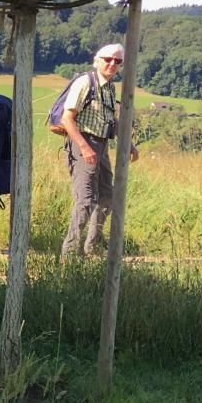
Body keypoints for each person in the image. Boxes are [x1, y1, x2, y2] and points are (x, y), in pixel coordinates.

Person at [59, 43, 139, 259]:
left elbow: (111, 120)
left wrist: (128, 144)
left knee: (106, 196)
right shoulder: (85, 82)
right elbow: (67, 119)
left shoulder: (110, 87)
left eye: (118, 61)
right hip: (83, 143)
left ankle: (91, 248)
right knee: (85, 201)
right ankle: (68, 255)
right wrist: (84, 148)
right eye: (108, 59)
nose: (112, 64)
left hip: (101, 146)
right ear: (97, 60)